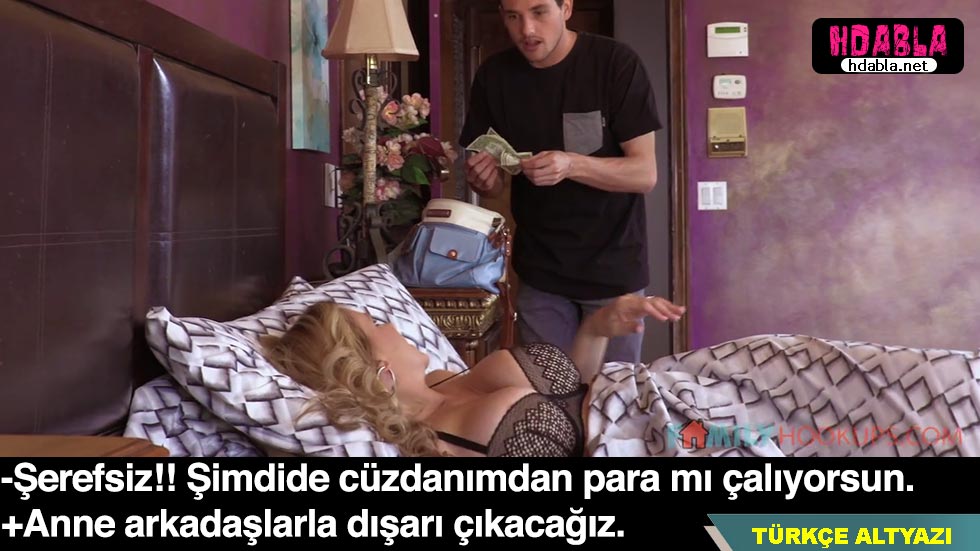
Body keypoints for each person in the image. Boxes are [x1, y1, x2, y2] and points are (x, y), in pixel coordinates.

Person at [460, 0, 662, 365]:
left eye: (539, 13)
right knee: (550, 393)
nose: (527, 30)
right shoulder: (494, 76)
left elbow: (644, 174)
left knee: (611, 395)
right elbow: (494, 189)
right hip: (540, 275)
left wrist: (571, 165)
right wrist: (484, 181)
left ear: (566, 8)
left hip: (614, 270)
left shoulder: (615, 63)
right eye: (513, 17)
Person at [260, 294, 686, 457]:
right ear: (376, 367)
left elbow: (576, 401)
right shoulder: (433, 446)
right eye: (374, 324)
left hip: (673, 388)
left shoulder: (443, 379)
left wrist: (596, 330)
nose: (389, 323)